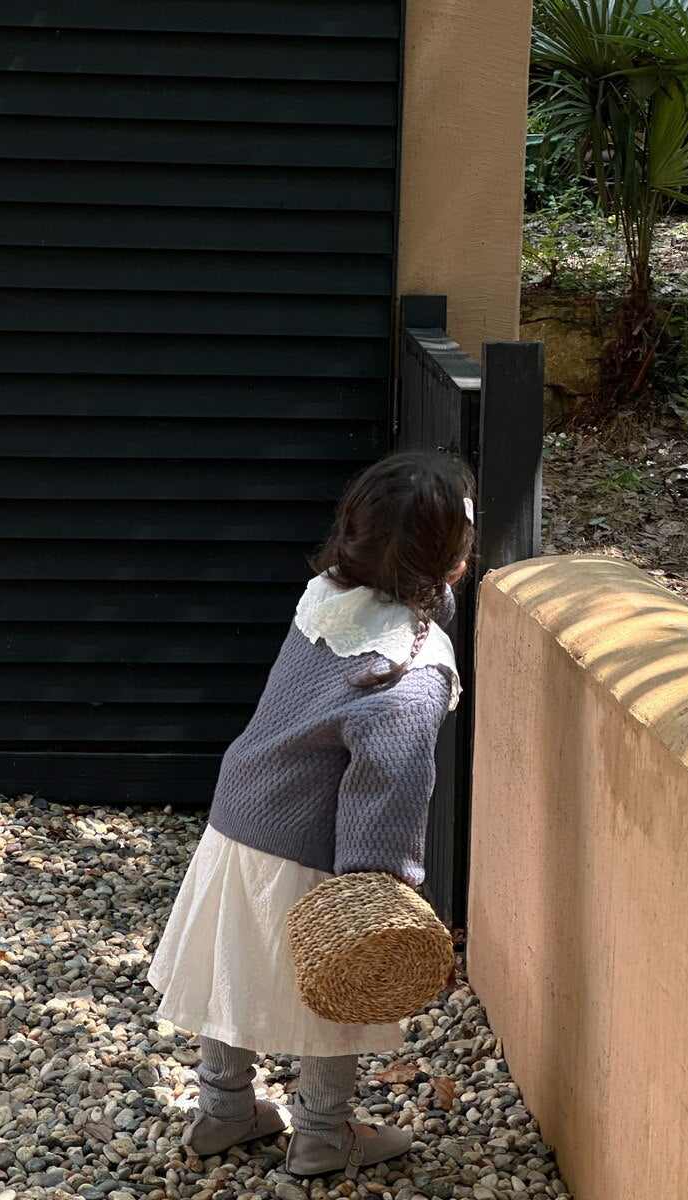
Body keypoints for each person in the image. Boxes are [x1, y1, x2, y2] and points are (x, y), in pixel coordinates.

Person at [147, 449, 476, 1179]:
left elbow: (402, 600)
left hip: (241, 813)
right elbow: (388, 786)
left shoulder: (326, 597)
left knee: (232, 962)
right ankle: (326, 1134)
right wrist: (379, 887)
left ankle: (224, 1110)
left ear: (353, 532)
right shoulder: (412, 676)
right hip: (310, 844)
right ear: (454, 559)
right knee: (332, 986)